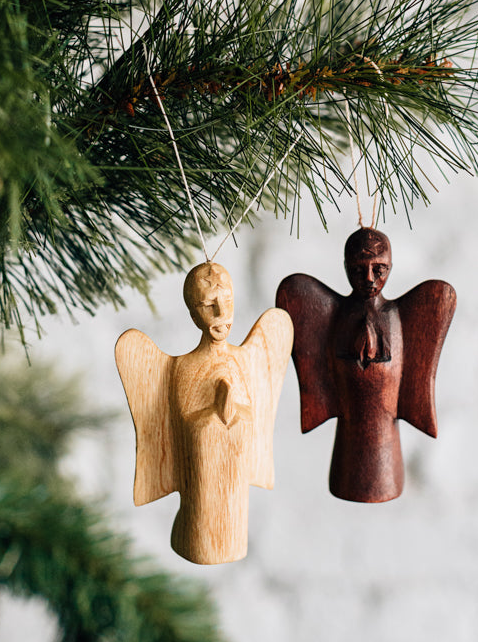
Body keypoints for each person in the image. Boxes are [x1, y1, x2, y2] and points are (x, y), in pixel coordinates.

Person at [116, 262, 292, 563]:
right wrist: (214, 416)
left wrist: (235, 414)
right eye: (209, 305)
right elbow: (181, 434)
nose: (222, 313)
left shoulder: (246, 362)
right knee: (199, 535)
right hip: (198, 508)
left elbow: (253, 426)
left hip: (235, 506)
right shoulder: (181, 370)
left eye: (228, 301)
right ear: (193, 314)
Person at [276, 228, 456, 502]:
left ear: (390, 267)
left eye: (379, 269)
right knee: (348, 463)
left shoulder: (399, 317)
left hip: (386, 429)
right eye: (359, 270)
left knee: (384, 461)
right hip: (349, 431)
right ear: (346, 267)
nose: (370, 278)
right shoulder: (333, 314)